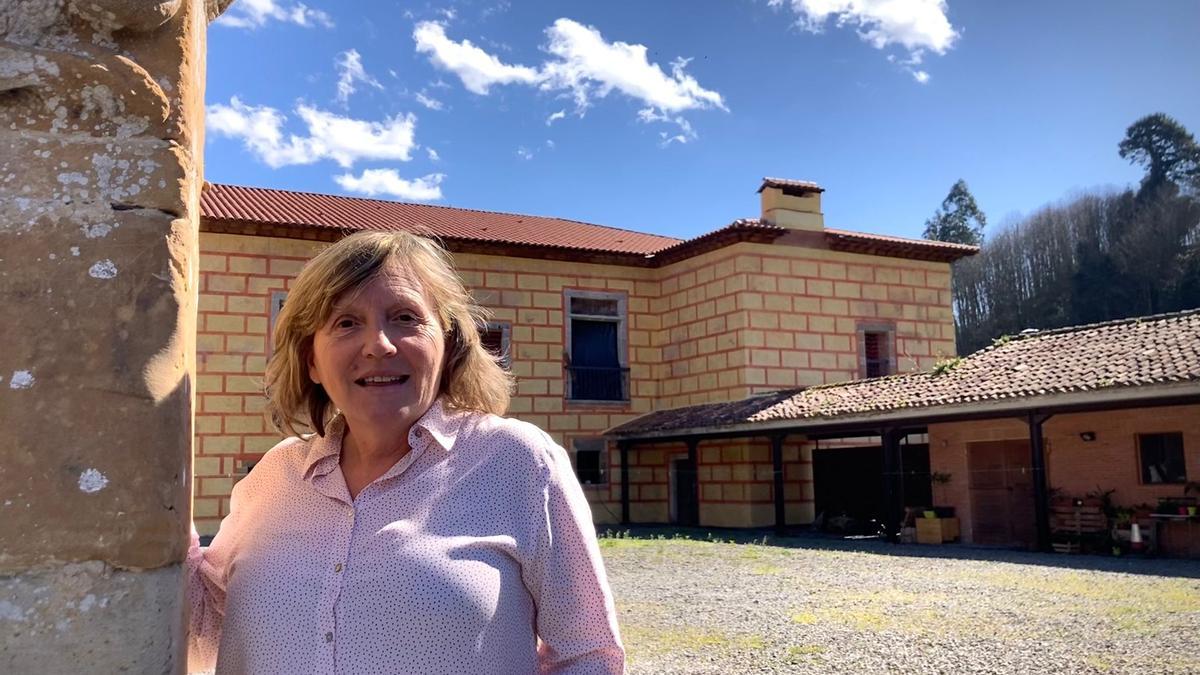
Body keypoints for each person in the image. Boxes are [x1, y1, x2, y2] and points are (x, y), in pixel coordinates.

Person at [186, 231, 624, 674]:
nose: (379, 344)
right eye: (345, 322)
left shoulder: (517, 462)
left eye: (405, 317)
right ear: (312, 361)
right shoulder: (274, 476)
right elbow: (202, 619)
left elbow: (586, 654)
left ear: (448, 344)